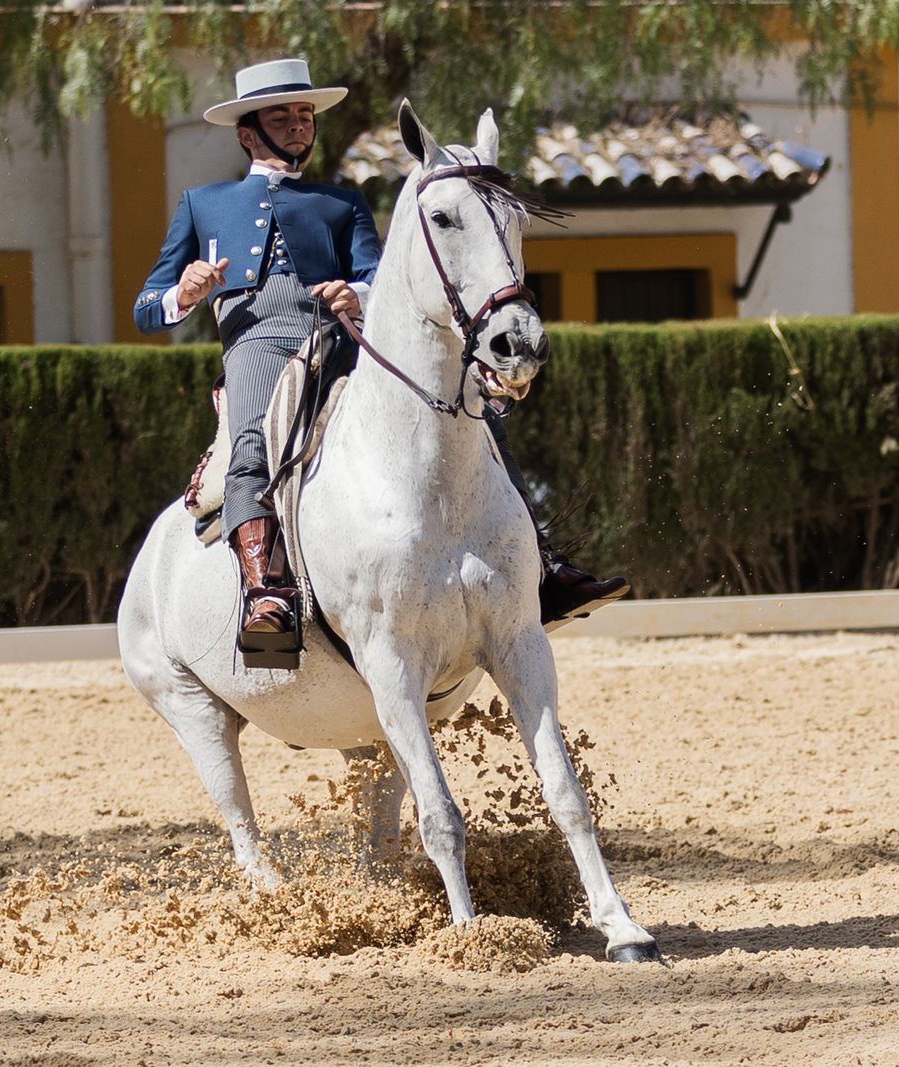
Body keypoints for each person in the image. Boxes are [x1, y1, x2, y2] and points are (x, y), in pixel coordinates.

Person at [133, 58, 628, 660]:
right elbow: (145, 306)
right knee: (253, 439)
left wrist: (356, 294)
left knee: (473, 405)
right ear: (247, 132)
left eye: (304, 116)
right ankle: (267, 590)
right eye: (282, 117)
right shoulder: (202, 203)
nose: (297, 126)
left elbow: (380, 278)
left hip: (338, 332)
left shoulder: (341, 203)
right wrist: (183, 294)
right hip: (258, 336)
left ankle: (544, 566)